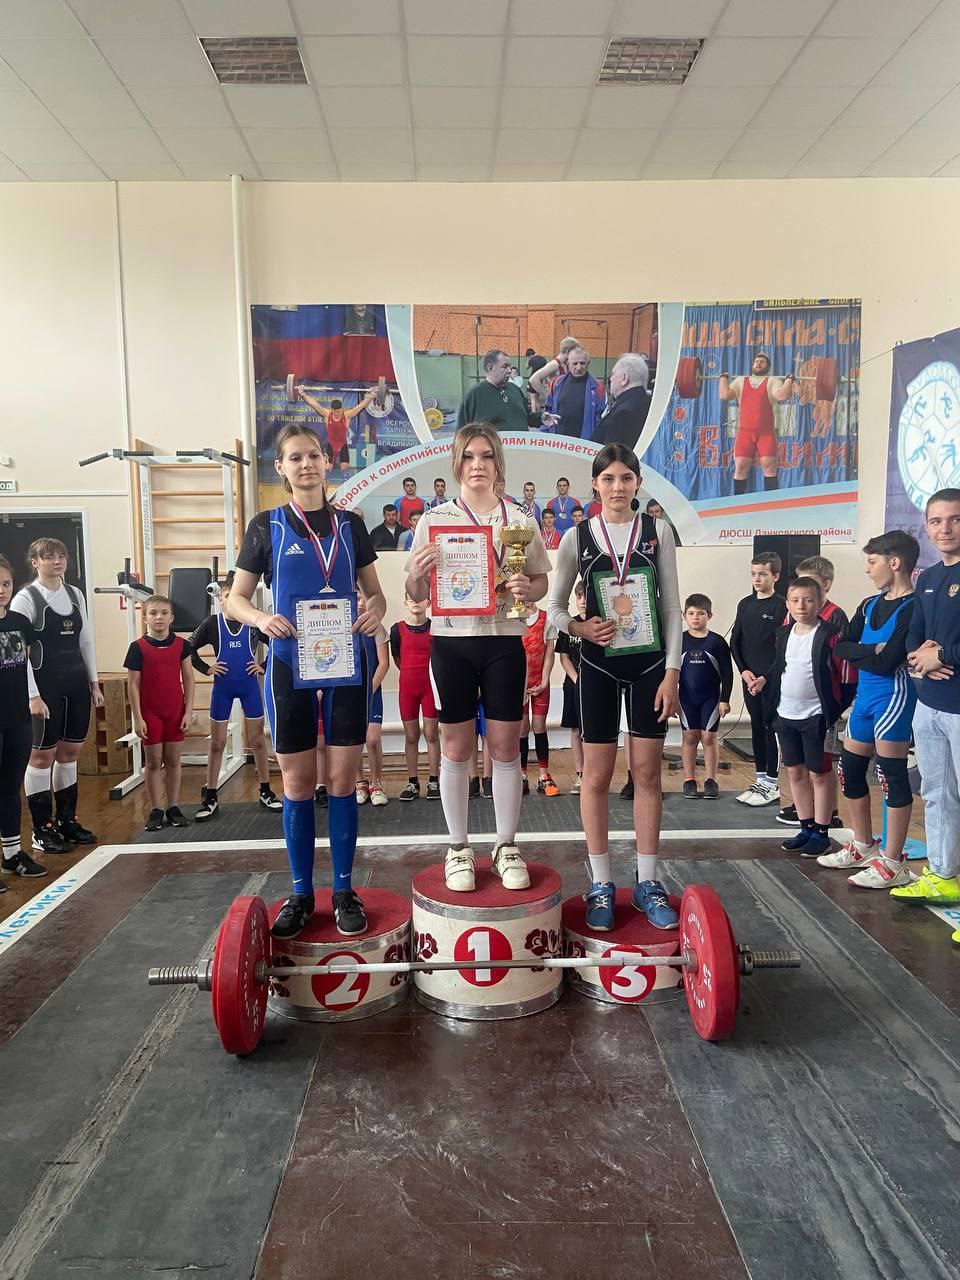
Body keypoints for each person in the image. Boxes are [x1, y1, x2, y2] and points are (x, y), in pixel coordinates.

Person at [228, 423, 387, 940]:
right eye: (295, 458)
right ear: (281, 467)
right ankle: (300, 893)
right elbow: (235, 599)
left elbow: (376, 594)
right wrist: (261, 619)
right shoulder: (266, 526)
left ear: (327, 461)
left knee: (342, 781)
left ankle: (342, 890)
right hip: (288, 665)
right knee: (297, 784)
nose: (306, 465)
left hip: (344, 663)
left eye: (313, 455)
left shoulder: (351, 525)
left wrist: (374, 611)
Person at [406, 421, 550, 892]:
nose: (478, 465)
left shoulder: (520, 519)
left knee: (506, 746)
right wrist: (417, 574)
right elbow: (414, 591)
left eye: (486, 456)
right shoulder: (434, 520)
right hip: (452, 642)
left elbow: (541, 581)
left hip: (505, 639)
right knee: (456, 747)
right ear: (456, 463)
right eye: (469, 456)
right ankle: (458, 847)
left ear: (498, 463)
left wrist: (528, 587)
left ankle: (506, 845)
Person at [547, 442, 682, 933]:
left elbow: (671, 607)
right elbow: (554, 608)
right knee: (597, 777)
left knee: (646, 774)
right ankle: (602, 882)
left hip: (650, 667)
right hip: (598, 667)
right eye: (608, 479)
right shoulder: (576, 536)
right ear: (595, 484)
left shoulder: (657, 531)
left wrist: (672, 672)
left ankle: (647, 881)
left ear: (638, 483)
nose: (617, 487)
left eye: (626, 478)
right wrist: (579, 628)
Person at [818, 531, 919, 888]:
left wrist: (869, 653)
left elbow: (889, 661)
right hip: (865, 698)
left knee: (890, 775)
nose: (867, 569)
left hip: (894, 696)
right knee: (849, 770)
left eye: (872, 562)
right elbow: (840, 647)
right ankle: (863, 845)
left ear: (895, 563)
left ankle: (892, 862)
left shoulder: (914, 606)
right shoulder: (867, 605)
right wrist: (873, 651)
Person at [892, 490, 960, 933]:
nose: (944, 529)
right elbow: (914, 636)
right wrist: (921, 657)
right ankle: (943, 875)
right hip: (930, 704)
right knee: (937, 794)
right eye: (936, 521)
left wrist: (944, 655)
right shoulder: (930, 577)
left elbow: (942, 648)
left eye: (955, 519)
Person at [12, 538, 103, 854]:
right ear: (35, 562)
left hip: (75, 685)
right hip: (44, 687)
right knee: (41, 757)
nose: (57, 561)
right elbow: (18, 653)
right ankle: (42, 830)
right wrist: (32, 695)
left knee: (70, 753)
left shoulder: (75, 594)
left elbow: (85, 641)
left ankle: (67, 822)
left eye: (61, 556)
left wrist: (93, 684)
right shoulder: (26, 599)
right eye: (49, 557)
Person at [766, 577, 849, 860]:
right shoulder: (783, 634)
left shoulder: (830, 634)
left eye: (809, 600)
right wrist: (764, 682)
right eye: (795, 600)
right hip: (785, 714)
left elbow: (846, 677)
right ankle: (805, 827)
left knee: (820, 774)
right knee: (795, 772)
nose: (801, 606)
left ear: (820, 603)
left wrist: (832, 710)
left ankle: (822, 832)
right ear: (788, 604)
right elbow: (780, 667)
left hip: (816, 717)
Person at [189, 573, 281, 821]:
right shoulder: (212, 623)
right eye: (227, 596)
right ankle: (210, 796)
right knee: (217, 743)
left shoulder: (253, 623)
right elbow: (188, 648)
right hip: (223, 689)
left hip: (249, 687)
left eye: (236, 596)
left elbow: (276, 644)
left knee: (258, 741)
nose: (231, 601)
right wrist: (206, 668)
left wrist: (264, 665)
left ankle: (265, 791)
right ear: (221, 599)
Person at [124, 595, 195, 832]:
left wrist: (188, 711)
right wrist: (138, 717)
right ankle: (156, 809)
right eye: (153, 613)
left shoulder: (182, 645)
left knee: (173, 761)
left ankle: (173, 806)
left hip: (175, 711)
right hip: (150, 713)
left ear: (171, 618)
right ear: (145, 618)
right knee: (154, 762)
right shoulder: (137, 648)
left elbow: (188, 678)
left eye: (164, 613)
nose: (159, 618)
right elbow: (133, 685)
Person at [0, 554, 46, 884]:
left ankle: (12, 854)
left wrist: (33, 698)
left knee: (10, 787)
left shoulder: (19, 622)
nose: (1, 590)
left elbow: (24, 666)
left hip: (17, 719)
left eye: (6, 584)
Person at [731, 551, 787, 807]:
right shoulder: (745, 604)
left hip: (770, 679)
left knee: (770, 727)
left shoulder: (782, 606)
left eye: (762, 574)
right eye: (753, 574)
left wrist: (765, 677)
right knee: (756, 726)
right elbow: (735, 641)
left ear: (775, 576)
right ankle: (760, 779)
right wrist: (744, 671)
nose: (757, 579)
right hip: (750, 679)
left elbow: (783, 649)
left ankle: (772, 784)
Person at [679, 594, 732, 800]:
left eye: (700, 613)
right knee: (689, 736)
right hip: (686, 698)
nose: (695, 617)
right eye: (691, 613)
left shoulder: (717, 642)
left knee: (709, 737)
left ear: (709, 615)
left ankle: (711, 779)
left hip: (710, 698)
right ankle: (689, 779)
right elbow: (670, 671)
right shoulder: (679, 640)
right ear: (684, 615)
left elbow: (727, 673)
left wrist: (725, 699)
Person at [719, 353, 795, 495]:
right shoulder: (741, 381)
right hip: (745, 434)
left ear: (768, 367)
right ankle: (738, 503)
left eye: (762, 362)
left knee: (769, 467)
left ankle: (772, 503)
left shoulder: (772, 381)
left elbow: (782, 395)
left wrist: (789, 380)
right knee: (740, 467)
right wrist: (723, 378)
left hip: (766, 434)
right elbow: (724, 394)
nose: (758, 363)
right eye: (756, 361)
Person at [390, 594, 440, 802]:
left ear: (428, 603)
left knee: (431, 734)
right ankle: (412, 782)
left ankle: (434, 781)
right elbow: (397, 658)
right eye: (411, 598)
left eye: (420, 598)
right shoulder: (397, 630)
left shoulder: (436, 628)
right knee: (411, 736)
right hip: (408, 689)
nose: (415, 602)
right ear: (405, 603)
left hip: (429, 689)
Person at [456, 349, 545, 433]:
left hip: (520, 444)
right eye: (505, 366)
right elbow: (461, 433)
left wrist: (541, 418)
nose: (509, 370)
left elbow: (527, 417)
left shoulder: (515, 390)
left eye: (509, 366)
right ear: (490, 368)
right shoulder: (474, 396)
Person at [520, 605, 559, 797]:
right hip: (518, 684)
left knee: (539, 726)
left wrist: (544, 682)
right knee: (521, 728)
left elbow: (549, 653)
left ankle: (544, 776)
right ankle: (522, 775)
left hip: (540, 682)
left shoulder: (546, 618)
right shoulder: (512, 617)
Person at [355, 596, 390, 808]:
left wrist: (368, 691)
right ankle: (360, 783)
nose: (361, 602)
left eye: (364, 598)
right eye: (357, 597)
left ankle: (376, 784)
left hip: (372, 692)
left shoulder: (377, 628)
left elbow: (384, 664)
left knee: (373, 740)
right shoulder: (344, 626)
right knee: (353, 740)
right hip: (350, 694)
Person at [296, 385, 375, 473]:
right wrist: (302, 393)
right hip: (331, 445)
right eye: (334, 412)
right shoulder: (327, 414)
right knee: (326, 469)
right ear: (331, 410)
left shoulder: (346, 415)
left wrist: (371, 395)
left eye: (338, 412)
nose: (336, 414)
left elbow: (360, 406)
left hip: (343, 446)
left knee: (345, 468)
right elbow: (315, 405)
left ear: (341, 409)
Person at [556, 581, 586, 795]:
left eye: (586, 596)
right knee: (576, 729)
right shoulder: (569, 625)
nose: (583, 601)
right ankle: (580, 773)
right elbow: (564, 658)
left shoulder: (601, 623)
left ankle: (595, 772)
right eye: (579, 596)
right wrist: (576, 679)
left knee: (593, 730)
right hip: (574, 685)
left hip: (597, 686)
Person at [543, 346, 605, 440]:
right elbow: (548, 411)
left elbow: (600, 420)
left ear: (588, 363)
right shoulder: (556, 383)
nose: (579, 367)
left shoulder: (598, 388)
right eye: (575, 363)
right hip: (558, 442)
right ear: (568, 363)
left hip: (584, 443)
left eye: (582, 363)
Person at [594, 354, 651, 450]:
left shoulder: (623, 413)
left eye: (613, 374)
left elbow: (613, 453)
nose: (610, 379)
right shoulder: (647, 402)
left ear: (624, 378)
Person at [528, 336, 582, 407]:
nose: (575, 355)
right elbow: (533, 380)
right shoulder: (554, 364)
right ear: (567, 351)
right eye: (574, 352)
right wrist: (547, 395)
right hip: (555, 405)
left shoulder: (565, 364)